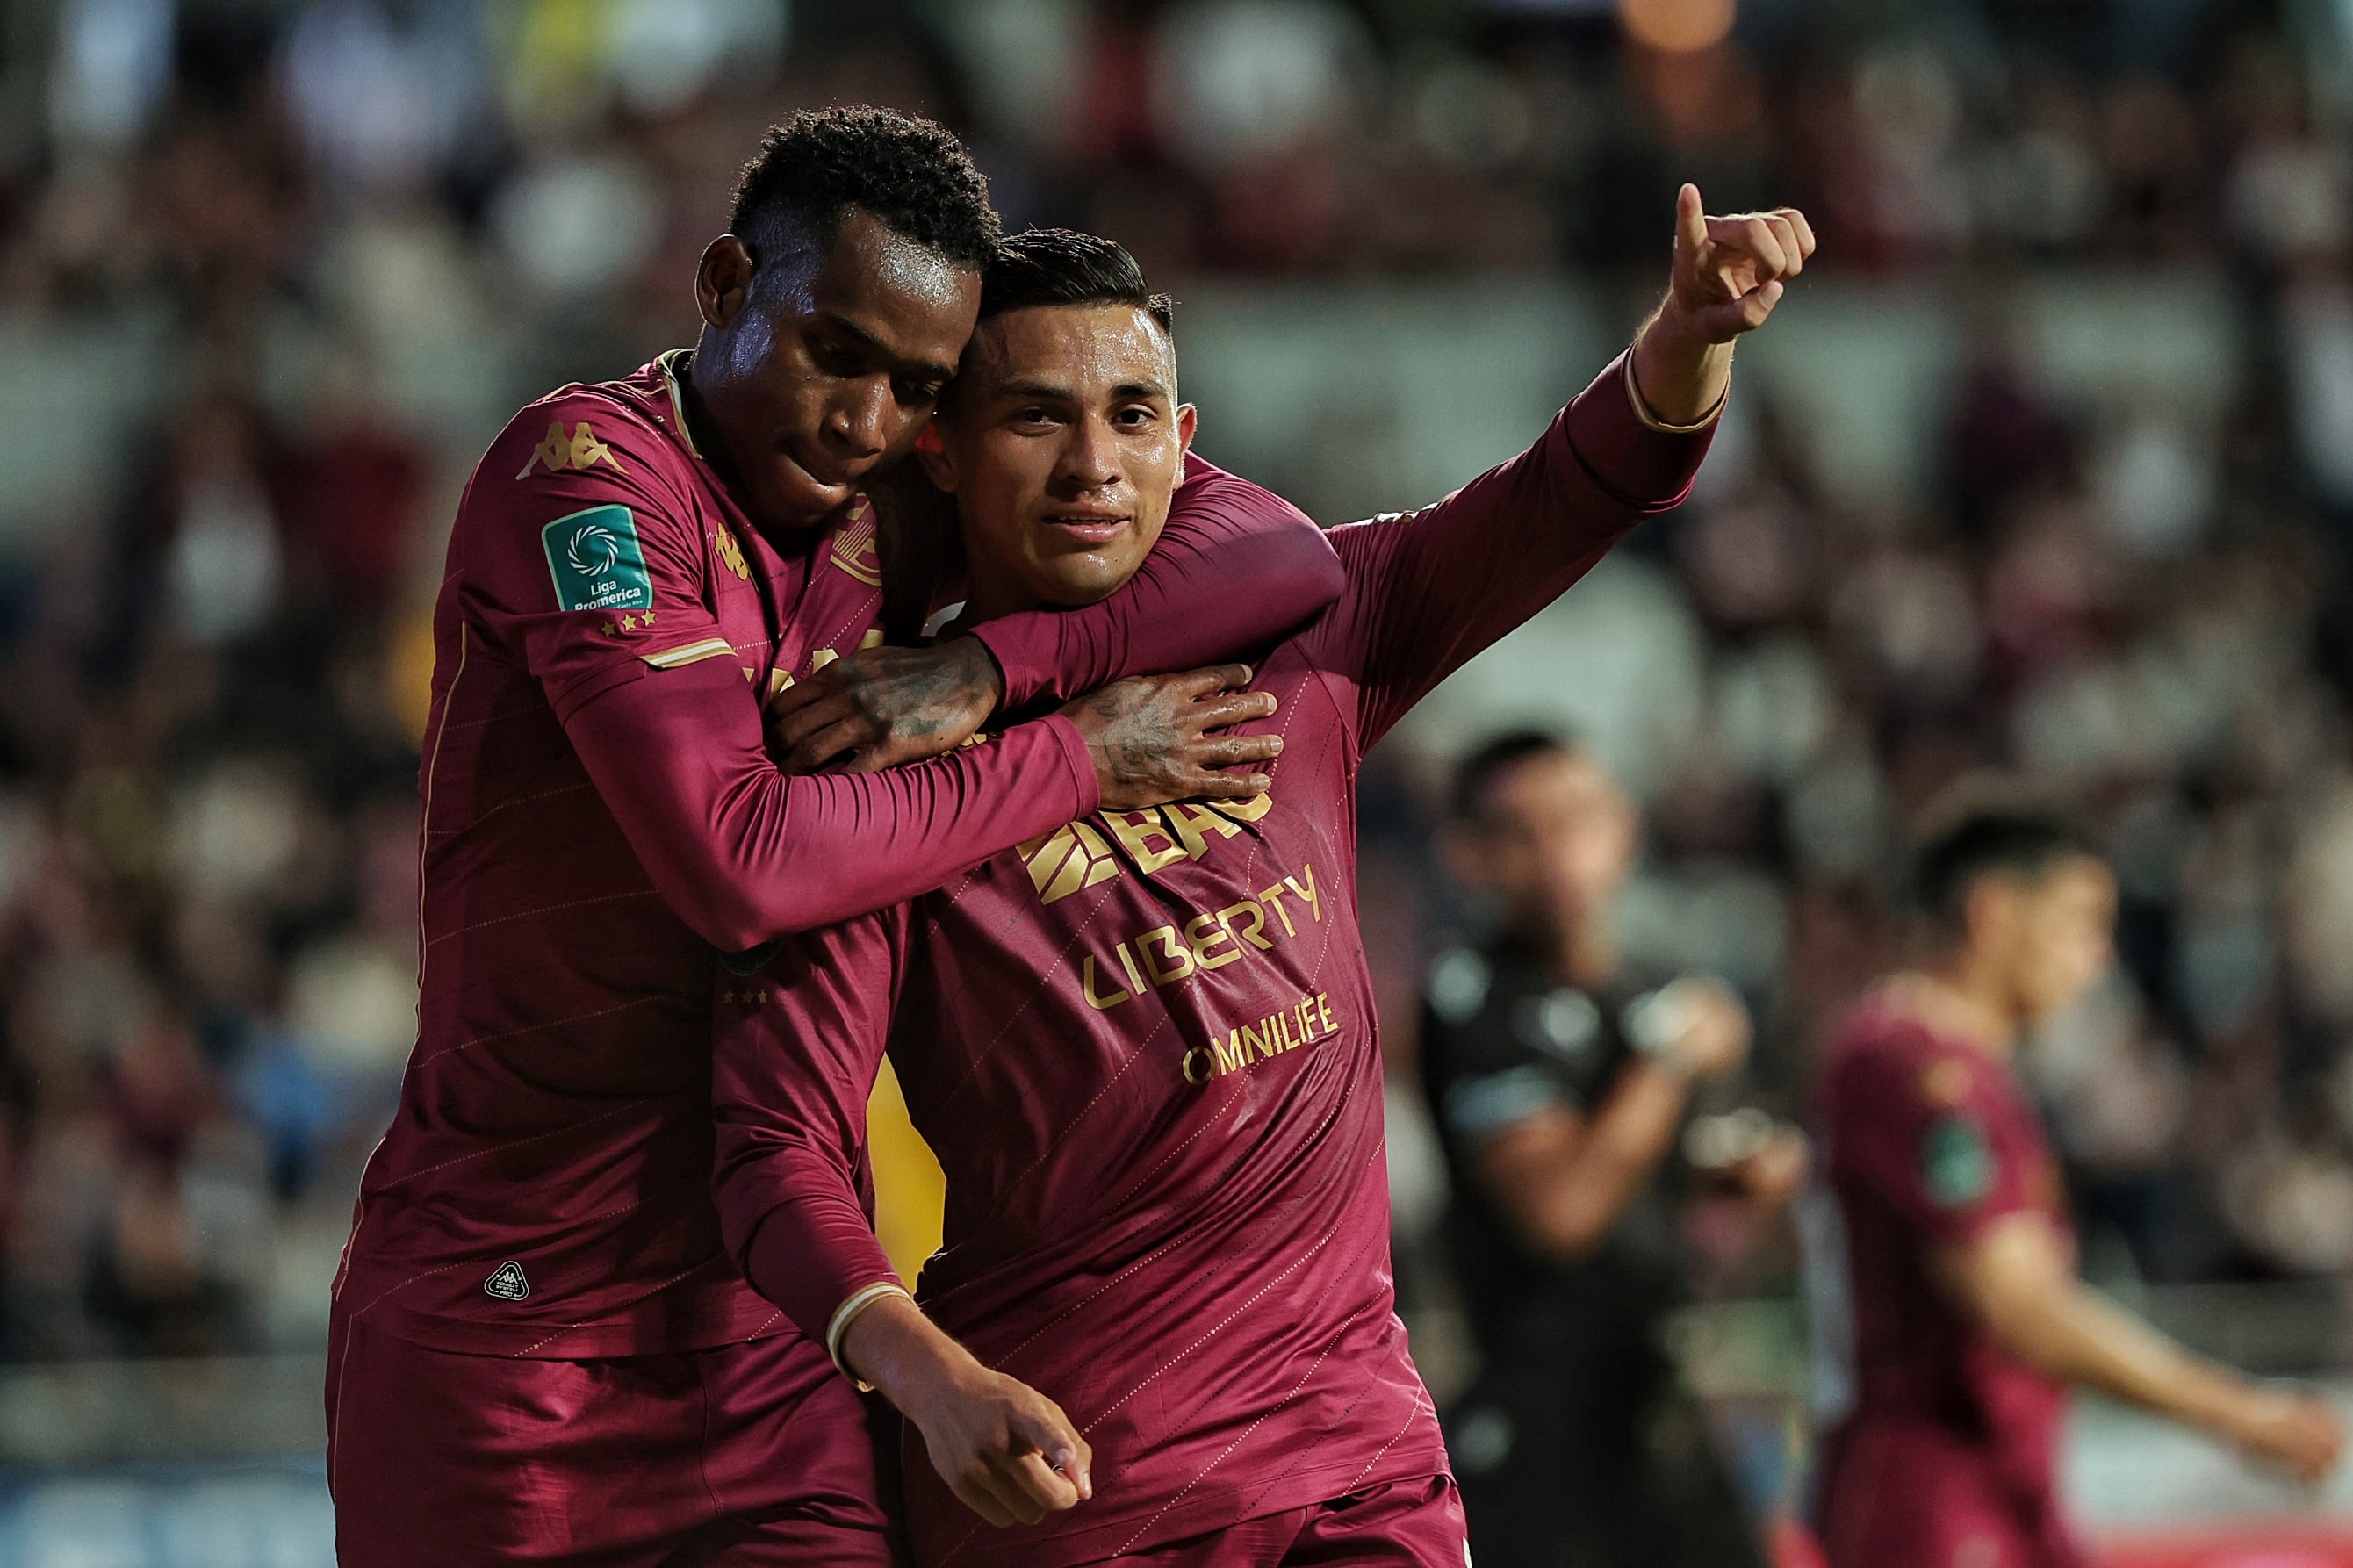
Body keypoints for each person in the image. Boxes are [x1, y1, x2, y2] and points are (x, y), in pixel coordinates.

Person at [713, 191, 1814, 1568]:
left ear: (1185, 444)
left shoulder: (1310, 644)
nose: (1090, 465)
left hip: (1360, 1457)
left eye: (1129, 415)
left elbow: (1570, 490)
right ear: (939, 447)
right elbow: (772, 1149)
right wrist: (926, 1372)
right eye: (1035, 416)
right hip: (1078, 1473)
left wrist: (1689, 336)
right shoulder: (867, 755)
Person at [328, 107, 1347, 1568]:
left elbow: (1277, 555)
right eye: (838, 353)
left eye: (918, 388)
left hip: (781, 1335)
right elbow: (734, 863)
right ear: (728, 282)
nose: (869, 420)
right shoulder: (580, 477)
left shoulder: (873, 507)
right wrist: (1075, 754)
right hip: (509, 1332)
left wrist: (985, 675)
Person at [1809, 795, 2346, 1568]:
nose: (2098, 960)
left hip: (1990, 1484)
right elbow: (2018, 1305)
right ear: (1992, 913)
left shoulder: (1936, 1062)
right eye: (2080, 923)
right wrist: (2237, 1412)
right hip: (1930, 1495)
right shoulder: (1923, 1071)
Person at [1419, 730, 1804, 1568]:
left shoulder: (1648, 990)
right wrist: (1667, 1059)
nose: (1559, 853)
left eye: (1579, 819)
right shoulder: (1475, 999)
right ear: (1469, 856)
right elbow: (1563, 1213)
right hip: (1542, 1422)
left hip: (1661, 1402)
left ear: (1624, 829)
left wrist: (1743, 1181)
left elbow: (1685, 1205)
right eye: (1523, 831)